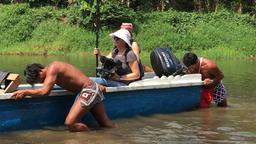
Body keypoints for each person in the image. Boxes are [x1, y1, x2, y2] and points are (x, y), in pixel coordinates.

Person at [12, 61, 114, 132]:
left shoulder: (53, 68)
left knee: (71, 123)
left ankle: (89, 139)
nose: (40, 82)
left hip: (89, 90)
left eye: (38, 79)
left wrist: (25, 92)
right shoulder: (53, 69)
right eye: (37, 82)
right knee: (106, 125)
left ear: (40, 70)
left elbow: (44, 92)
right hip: (92, 88)